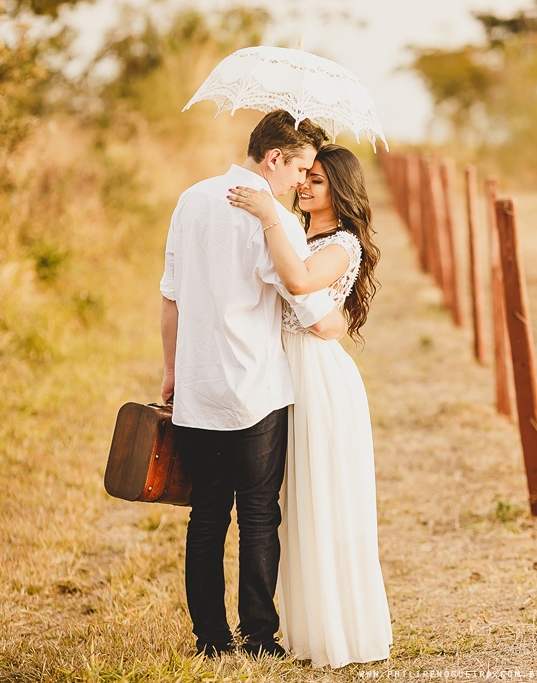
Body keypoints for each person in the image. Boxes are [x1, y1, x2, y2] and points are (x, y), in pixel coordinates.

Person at [159, 111, 348, 659]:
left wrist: (171, 370)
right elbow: (309, 305)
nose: (299, 183)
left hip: (198, 386)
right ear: (274, 159)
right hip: (256, 387)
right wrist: (338, 322)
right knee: (260, 513)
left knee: (207, 514)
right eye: (301, 169)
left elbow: (170, 293)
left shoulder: (191, 199)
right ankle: (260, 639)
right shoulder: (273, 221)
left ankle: (210, 641)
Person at [227, 143, 392, 669]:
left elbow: (299, 282)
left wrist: (268, 214)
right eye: (305, 176)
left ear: (340, 191)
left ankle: (341, 632)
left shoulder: (342, 244)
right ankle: (302, 627)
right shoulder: (302, 234)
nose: (304, 186)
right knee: (292, 505)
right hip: (281, 373)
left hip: (318, 377)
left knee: (324, 499)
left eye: (317, 181)